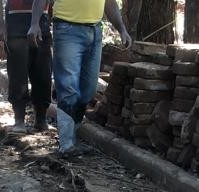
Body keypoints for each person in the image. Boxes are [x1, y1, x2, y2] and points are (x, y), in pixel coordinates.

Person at [30, 0, 131, 156]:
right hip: (67, 28)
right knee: (68, 87)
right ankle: (66, 144)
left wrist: (122, 29)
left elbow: (109, 3)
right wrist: (34, 23)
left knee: (88, 91)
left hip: (95, 31)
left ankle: (73, 138)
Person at [0, 0, 53, 133]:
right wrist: (1, 26)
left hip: (42, 28)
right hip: (16, 29)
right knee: (18, 76)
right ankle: (19, 120)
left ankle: (41, 119)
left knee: (43, 75)